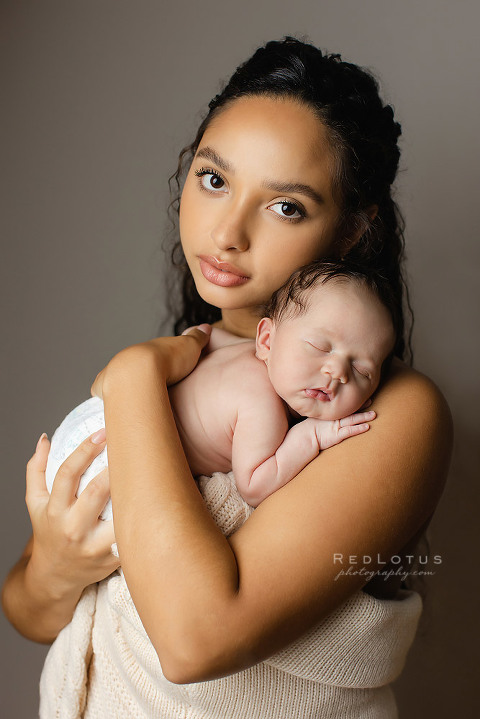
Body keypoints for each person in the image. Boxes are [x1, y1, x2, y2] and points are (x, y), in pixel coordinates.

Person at [2, 37, 452, 718]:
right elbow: (30, 610)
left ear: (354, 231)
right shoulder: (189, 371)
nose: (227, 232)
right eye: (214, 179)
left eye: (286, 206)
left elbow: (191, 640)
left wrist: (130, 377)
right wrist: (58, 567)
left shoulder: (394, 409)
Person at [45, 260, 394, 513]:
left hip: (90, 420)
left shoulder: (235, 346)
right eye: (320, 347)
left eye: (362, 370)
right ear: (267, 340)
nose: (337, 372)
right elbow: (254, 485)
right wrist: (312, 437)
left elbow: (200, 337)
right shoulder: (261, 404)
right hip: (107, 460)